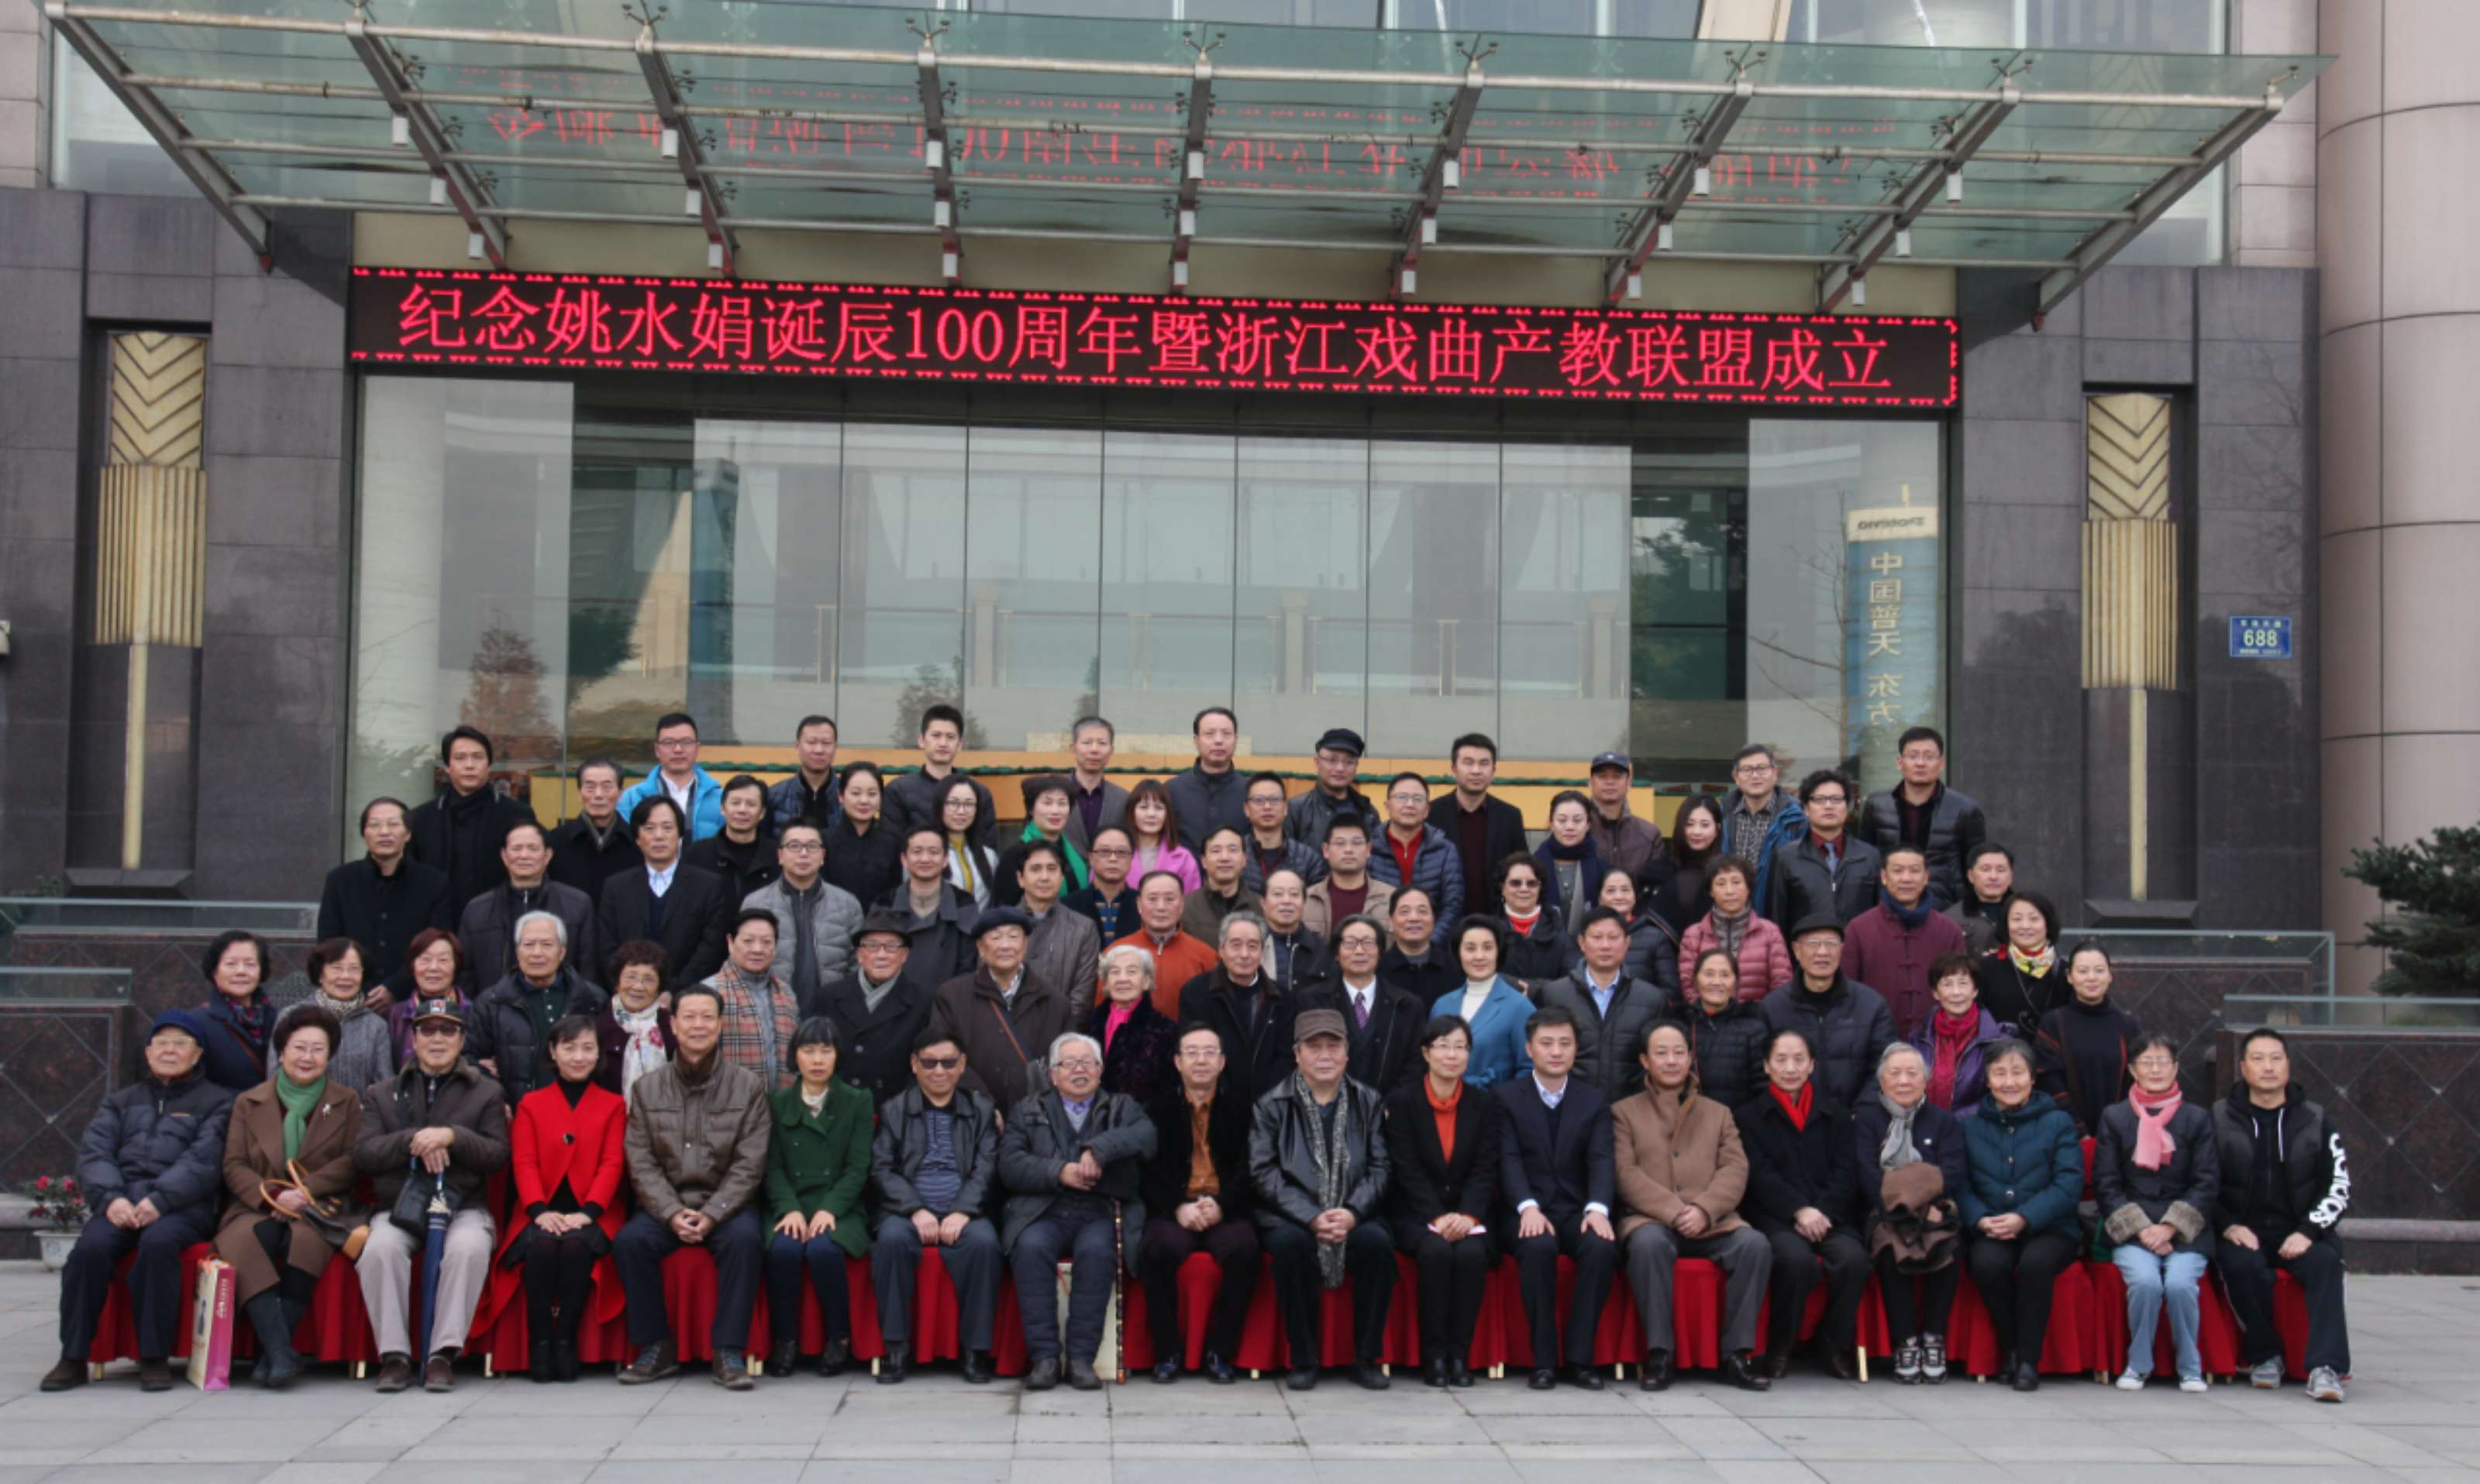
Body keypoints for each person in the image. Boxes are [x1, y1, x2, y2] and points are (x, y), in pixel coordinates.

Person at [44, 1010, 234, 1393]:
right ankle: (73, 1356)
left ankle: (153, 1356)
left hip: (182, 1207)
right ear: (148, 1052)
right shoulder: (120, 1102)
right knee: (89, 1251)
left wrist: (160, 1200)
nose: (169, 1051)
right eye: (161, 1043)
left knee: (158, 1244)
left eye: (180, 1044)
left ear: (198, 1054)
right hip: (120, 1203)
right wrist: (111, 1199)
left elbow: (204, 1162)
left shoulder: (219, 1102)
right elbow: (95, 1155)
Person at [615, 983, 773, 1389]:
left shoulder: (748, 1086)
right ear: (673, 1024)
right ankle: (656, 1347)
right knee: (631, 1242)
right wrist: (670, 1212)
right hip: (666, 1205)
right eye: (689, 1017)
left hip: (726, 1206)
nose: (698, 1026)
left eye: (707, 1017)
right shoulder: (648, 1088)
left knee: (745, 1241)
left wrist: (714, 1213)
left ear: (720, 1025)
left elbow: (749, 1163)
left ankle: (728, 1351)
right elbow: (641, 1162)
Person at [353, 993, 511, 1393]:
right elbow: (365, 1154)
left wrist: (453, 1136)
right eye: (428, 1030)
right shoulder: (382, 1092)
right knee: (380, 1249)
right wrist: (415, 1139)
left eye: (447, 1031)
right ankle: (394, 1356)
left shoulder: (486, 1091)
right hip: (399, 1205)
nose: (437, 1039)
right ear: (414, 1038)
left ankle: (443, 1354)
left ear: (462, 1039)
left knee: (469, 1248)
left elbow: (496, 1154)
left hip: (463, 1205)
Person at [212, 1003, 364, 1389]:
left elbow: (353, 1159)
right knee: (248, 1239)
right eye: (299, 1048)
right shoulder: (249, 1102)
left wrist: (305, 1191)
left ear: (330, 1056)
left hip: (318, 1206)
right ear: (282, 1052)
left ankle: (272, 1357)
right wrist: (274, 1197)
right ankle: (280, 1352)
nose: (307, 1057)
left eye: (318, 1049)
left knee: (306, 1240)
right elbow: (234, 1164)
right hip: (256, 1203)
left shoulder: (346, 1101)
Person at [1614, 1021, 1771, 1392]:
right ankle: (1660, 1354)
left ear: (1690, 1058)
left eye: (1679, 1053)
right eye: (1661, 1053)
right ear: (1645, 1061)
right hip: (1651, 1219)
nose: (1671, 1061)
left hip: (1713, 1221)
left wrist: (1704, 1209)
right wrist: (1672, 1211)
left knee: (1754, 1245)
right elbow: (1625, 1173)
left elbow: (1735, 1168)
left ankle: (1737, 1355)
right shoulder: (1623, 1112)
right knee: (1648, 1245)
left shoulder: (1719, 1113)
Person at [999, 1031, 1157, 1392]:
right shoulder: (1027, 1110)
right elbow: (1009, 1165)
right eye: (1069, 1063)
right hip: (1044, 1209)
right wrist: (1058, 1172)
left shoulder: (1122, 1107)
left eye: (1088, 1062)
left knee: (1098, 1252)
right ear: (1053, 1075)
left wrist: (1099, 1150)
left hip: (1100, 1208)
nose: (1079, 1070)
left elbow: (1147, 1137)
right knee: (1030, 1248)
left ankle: (1082, 1359)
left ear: (1100, 1071)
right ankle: (1045, 1359)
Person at [1252, 1007, 1394, 1392]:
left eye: (1334, 1046)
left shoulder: (1368, 1101)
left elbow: (1381, 1167)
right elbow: (1263, 1172)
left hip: (1355, 1212)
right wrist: (1312, 1217)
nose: (1325, 1055)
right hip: (1292, 1216)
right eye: (1315, 1047)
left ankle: (1366, 1358)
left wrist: (1352, 1212)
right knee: (1290, 1246)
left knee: (1377, 1245)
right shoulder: (1272, 1104)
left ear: (1347, 1053)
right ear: (1297, 1054)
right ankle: (1304, 1358)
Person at [2213, 1028, 2351, 1403]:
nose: (2268, 1067)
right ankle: (2265, 1355)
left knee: (2326, 1264)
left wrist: (2308, 1231)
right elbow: (2203, 1183)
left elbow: (2338, 1185)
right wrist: (2228, 1225)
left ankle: (2326, 1368)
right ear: (2243, 1067)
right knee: (2241, 1266)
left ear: (2288, 1066)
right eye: (2258, 1059)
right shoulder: (2220, 1118)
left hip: (2301, 1232)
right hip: (2243, 1231)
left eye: (2276, 1058)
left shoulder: (2315, 1119)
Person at [488, 1014, 625, 1383]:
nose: (579, 1057)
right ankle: (540, 1343)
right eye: (569, 1048)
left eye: (587, 1048)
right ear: (553, 1051)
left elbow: (612, 1163)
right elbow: (524, 1162)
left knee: (576, 1247)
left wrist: (589, 1212)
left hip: (595, 1211)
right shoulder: (531, 1104)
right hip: (539, 1209)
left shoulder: (613, 1105)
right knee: (544, 1247)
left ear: (599, 1054)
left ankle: (565, 1341)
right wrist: (538, 1211)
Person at [1495, 1006, 1620, 1391]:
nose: (1556, 1051)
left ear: (1576, 1049)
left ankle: (1581, 1360)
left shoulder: (1593, 1100)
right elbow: (1508, 1159)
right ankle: (1544, 1361)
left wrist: (1597, 1208)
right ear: (1529, 1049)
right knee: (1537, 1247)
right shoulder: (1506, 1097)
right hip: (1523, 1209)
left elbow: (1601, 1158)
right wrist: (1527, 1206)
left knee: (1601, 1247)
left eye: (1565, 1043)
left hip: (1575, 1208)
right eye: (1546, 1043)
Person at [869, 1029, 1003, 1385]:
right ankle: (896, 1349)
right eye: (929, 1063)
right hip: (906, 1211)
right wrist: (915, 1209)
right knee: (891, 1242)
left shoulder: (980, 1110)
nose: (939, 1071)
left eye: (947, 1062)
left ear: (962, 1065)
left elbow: (986, 1168)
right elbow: (882, 1169)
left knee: (985, 1244)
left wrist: (963, 1210)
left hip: (965, 1210)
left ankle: (975, 1352)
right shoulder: (895, 1109)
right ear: (915, 1065)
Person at [1734, 1026, 1867, 1380]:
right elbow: (1758, 1174)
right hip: (1776, 1217)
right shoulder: (1748, 1116)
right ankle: (1781, 1345)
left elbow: (1846, 1171)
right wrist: (1798, 1210)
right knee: (1795, 1261)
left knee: (1853, 1261)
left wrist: (1822, 1212)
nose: (1790, 1068)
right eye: (1781, 1060)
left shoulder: (1835, 1113)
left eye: (1798, 1059)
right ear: (1766, 1066)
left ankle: (1832, 1342)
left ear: (1812, 1065)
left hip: (1830, 1215)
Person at [1959, 1036, 2082, 1392]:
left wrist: (2025, 1217)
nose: (2009, 1082)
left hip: (2051, 1227)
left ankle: (2028, 1360)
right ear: (1987, 1079)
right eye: (2000, 1073)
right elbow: (1960, 1185)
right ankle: (2011, 1349)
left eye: (2017, 1073)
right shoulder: (1970, 1127)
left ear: (2032, 1077)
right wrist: (1980, 1218)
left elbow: (2068, 1184)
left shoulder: (2058, 1123)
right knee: (1987, 1264)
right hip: (1993, 1224)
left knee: (2035, 1265)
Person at [2098, 1035, 2220, 1393]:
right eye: (2146, 1062)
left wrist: (2169, 1227)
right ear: (2133, 1070)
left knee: (2181, 1284)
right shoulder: (2115, 1117)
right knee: (2146, 1283)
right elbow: (2106, 1184)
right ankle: (2138, 1365)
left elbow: (2207, 1182)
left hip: (2185, 1231)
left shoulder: (2197, 1118)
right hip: (2133, 1230)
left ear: (2176, 1068)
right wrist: (2143, 1230)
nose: (2155, 1069)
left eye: (2162, 1061)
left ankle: (2190, 1368)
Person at [1138, 1021, 1259, 1384]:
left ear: (1222, 1062)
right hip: (1177, 1208)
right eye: (1192, 1053)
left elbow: (1253, 1169)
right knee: (1155, 1250)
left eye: (1209, 1053)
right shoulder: (1156, 1109)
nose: (1201, 1061)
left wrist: (1223, 1204)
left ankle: (1220, 1352)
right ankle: (1168, 1353)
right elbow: (1147, 1171)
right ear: (1178, 1062)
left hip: (1225, 1207)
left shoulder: (1244, 1109)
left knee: (1244, 1250)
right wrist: (1178, 1206)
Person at [1385, 1014, 1500, 1389]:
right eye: (1443, 1046)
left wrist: (1468, 1215)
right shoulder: (1403, 1102)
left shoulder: (1483, 1104)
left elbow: (1485, 1168)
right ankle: (1434, 1357)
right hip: (1417, 1213)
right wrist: (1436, 1216)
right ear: (1426, 1053)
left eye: (1460, 1047)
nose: (1452, 1055)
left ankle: (1459, 1356)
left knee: (1471, 1255)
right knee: (1435, 1253)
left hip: (1469, 1214)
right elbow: (1406, 1168)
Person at [762, 1015, 873, 1379]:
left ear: (838, 1055)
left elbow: (857, 1168)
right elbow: (771, 1167)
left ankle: (838, 1337)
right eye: (808, 1050)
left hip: (840, 1206)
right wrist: (789, 1208)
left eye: (826, 1051)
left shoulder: (857, 1101)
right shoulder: (777, 1102)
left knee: (824, 1249)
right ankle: (785, 1339)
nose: (817, 1059)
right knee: (784, 1250)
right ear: (795, 1056)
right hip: (790, 1204)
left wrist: (829, 1209)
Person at [1853, 1043, 1968, 1385]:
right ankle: (1906, 1342)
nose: (1904, 1081)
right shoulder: (1867, 1120)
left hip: (1934, 1210)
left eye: (1912, 1073)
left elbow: (1952, 1173)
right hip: (1886, 1212)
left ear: (1925, 1079)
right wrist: (1912, 1190)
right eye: (1895, 1073)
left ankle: (1933, 1338)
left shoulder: (1944, 1121)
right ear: (1882, 1080)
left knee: (1947, 1246)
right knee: (1892, 1249)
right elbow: (1868, 1175)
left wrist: (1912, 1190)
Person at [928, 906, 1075, 1111]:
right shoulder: (951, 996)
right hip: (971, 1114)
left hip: (1035, 1116)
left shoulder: (1054, 1002)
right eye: (995, 938)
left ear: (1025, 944)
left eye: (1013, 937)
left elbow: (1066, 1062)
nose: (1005, 945)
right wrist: (982, 1106)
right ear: (980, 947)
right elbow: (943, 1056)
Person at [466, 911, 609, 1107]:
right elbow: (468, 1059)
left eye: (547, 945)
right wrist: (496, 1099)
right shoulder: (492, 1002)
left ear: (562, 952)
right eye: (529, 945)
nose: (537, 953)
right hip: (516, 1112)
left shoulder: (592, 999)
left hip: (582, 1111)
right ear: (517, 952)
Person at [1759, 915, 1896, 1110]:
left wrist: (1862, 1111)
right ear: (1797, 950)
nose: (1822, 952)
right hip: (1791, 1118)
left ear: (1841, 950)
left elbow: (1885, 1066)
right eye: (1813, 943)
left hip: (1856, 1119)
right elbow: (1760, 1071)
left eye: (1831, 943)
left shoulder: (1871, 1005)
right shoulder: (1772, 1007)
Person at [319, 797, 451, 999]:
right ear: (364, 833)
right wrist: (363, 988)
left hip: (414, 997)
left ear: (408, 834)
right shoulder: (340, 880)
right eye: (375, 825)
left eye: (393, 824)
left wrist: (395, 988)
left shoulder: (434, 883)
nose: (384, 832)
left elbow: (437, 944)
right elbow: (329, 943)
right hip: (352, 994)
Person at [595, 795, 732, 990]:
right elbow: (607, 946)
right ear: (637, 838)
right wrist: (629, 987)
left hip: (688, 996)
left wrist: (676, 990)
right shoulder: (616, 886)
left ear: (680, 835)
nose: (659, 836)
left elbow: (711, 947)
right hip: (630, 993)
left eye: (667, 828)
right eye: (650, 828)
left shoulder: (708, 885)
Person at [1840, 845, 1969, 1043]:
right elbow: (1847, 993)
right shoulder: (1858, 930)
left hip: (1938, 1042)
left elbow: (1961, 989)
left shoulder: (1949, 931)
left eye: (1915, 871)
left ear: (1926, 877)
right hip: (1875, 1041)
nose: (1906, 879)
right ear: (1884, 877)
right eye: (1898, 871)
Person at [1535, 906, 1665, 1104]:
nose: (1605, 946)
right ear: (1582, 943)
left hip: (1631, 1109)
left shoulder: (1651, 999)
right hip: (1570, 1106)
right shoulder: (1554, 994)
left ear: (1627, 943)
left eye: (1613, 938)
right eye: (1597, 937)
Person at [459, 820, 598, 996]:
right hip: (494, 1007)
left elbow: (588, 969)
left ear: (547, 855)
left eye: (533, 849)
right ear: (504, 855)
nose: (524, 855)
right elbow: (466, 975)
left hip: (560, 1008)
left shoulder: (577, 905)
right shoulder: (477, 910)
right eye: (517, 849)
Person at [408, 725, 538, 905]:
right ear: (447, 766)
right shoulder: (421, 819)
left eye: (478, 757)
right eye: (460, 758)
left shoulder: (517, 815)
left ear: (489, 765)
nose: (469, 765)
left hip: (500, 917)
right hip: (437, 919)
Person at [1297, 913, 1425, 1096]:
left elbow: (1415, 1065)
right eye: (1350, 943)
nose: (1359, 951)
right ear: (1336, 953)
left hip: (1390, 1108)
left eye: (1368, 943)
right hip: (1327, 1103)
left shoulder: (1407, 1005)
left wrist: (1389, 1106)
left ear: (1380, 951)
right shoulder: (1313, 1000)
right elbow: (1303, 1058)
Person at [1858, 726, 1987, 909]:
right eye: (1913, 756)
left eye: (1929, 756)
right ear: (1900, 762)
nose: (1920, 763)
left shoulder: (1966, 809)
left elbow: (1976, 867)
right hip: (1888, 904)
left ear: (1941, 763)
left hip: (1945, 907)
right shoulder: (1876, 805)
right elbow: (1867, 861)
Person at [812, 910, 932, 1107]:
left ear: (904, 955)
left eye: (891, 947)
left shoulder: (923, 1004)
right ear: (859, 954)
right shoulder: (828, 998)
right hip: (836, 1111)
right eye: (872, 946)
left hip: (893, 1113)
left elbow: (923, 1070)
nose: (881, 955)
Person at [743, 820, 864, 1011]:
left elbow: (858, 962)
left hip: (833, 1012)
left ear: (823, 856)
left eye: (812, 846)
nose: (804, 853)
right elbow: (743, 962)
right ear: (780, 855)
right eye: (794, 846)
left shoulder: (847, 904)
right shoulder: (756, 903)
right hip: (771, 1011)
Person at [1181, 912, 1297, 1105]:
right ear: (1222, 949)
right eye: (1236, 945)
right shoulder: (1196, 992)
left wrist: (1265, 1102)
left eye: (1253, 946)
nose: (1244, 954)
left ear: (1262, 951)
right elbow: (1195, 1051)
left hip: (1269, 1106)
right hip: (1216, 1104)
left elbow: (1286, 1057)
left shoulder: (1282, 998)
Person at [2035, 942, 2143, 1135]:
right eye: (2083, 971)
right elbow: (2049, 1082)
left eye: (2099, 970)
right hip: (2066, 1135)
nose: (2091, 977)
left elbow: (2138, 1080)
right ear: (2070, 977)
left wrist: (2117, 1129)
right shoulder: (2053, 1024)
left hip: (2120, 1134)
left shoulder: (2128, 1026)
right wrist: (2077, 1130)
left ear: (2110, 975)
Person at [272, 938, 397, 1093]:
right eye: (337, 968)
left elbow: (385, 1086)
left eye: (354, 969)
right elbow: (274, 1076)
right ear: (320, 975)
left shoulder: (375, 1025)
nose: (346, 976)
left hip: (358, 1108)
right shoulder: (291, 1016)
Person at [1765, 769, 1883, 930]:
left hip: (1857, 945)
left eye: (1836, 799)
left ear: (1848, 807)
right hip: (1805, 945)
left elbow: (1880, 916)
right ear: (1806, 809)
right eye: (1819, 800)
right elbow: (1776, 917)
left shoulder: (1870, 856)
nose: (1828, 806)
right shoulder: (1786, 857)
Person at [877, 825, 981, 998]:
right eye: (917, 852)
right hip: (896, 1003)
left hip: (949, 1003)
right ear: (904, 859)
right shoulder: (885, 904)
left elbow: (968, 964)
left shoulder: (963, 904)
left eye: (933, 852)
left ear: (945, 859)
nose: (925, 859)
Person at [1431, 733, 1527, 917]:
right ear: (1454, 769)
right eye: (1468, 763)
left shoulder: (1510, 817)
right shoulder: (1432, 814)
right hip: (1445, 920)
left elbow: (1522, 870)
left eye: (1484, 763)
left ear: (1493, 771)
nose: (1476, 771)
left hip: (1497, 920)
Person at [708, 909, 803, 1093]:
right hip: (729, 1104)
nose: (757, 949)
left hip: (782, 1104)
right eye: (748, 941)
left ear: (775, 947)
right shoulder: (711, 991)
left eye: (766, 942)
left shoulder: (786, 993)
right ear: (730, 942)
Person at [882, 703, 996, 850]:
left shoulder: (979, 794)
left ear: (960, 744)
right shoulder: (898, 791)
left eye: (950, 737)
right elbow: (892, 849)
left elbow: (987, 848)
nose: (943, 743)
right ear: (921, 741)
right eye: (936, 736)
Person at [1109, 871, 1219, 1017]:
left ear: (1182, 904)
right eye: (1152, 899)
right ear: (1139, 904)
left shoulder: (1205, 955)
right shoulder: (1116, 953)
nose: (1161, 907)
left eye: (1169, 899)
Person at [1369, 772, 1464, 940]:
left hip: (1432, 944)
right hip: (1381, 944)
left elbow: (1453, 905)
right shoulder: (1369, 849)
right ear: (1387, 806)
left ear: (1426, 810)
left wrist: (1429, 943)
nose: (1410, 804)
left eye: (1418, 799)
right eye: (1402, 797)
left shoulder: (1445, 850)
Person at [1680, 857, 1790, 1001]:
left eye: (1736, 882)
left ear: (1748, 888)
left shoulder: (1770, 932)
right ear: (1711, 891)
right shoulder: (1693, 935)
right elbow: (1689, 985)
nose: (1730, 891)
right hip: (1707, 1013)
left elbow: (1781, 983)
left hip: (1758, 1014)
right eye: (1721, 884)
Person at [1438, 918, 1530, 1088]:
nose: (1479, 956)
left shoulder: (1519, 1006)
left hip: (1496, 1101)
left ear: (1499, 952)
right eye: (1470, 948)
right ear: (1458, 953)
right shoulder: (1442, 1005)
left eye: (1487, 948)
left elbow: (1529, 1067)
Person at [1912, 952, 2008, 1116]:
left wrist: (1954, 1121)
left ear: (1975, 990)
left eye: (1963, 983)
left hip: (1977, 1126)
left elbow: (2002, 1094)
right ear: (1935, 993)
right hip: (1927, 1126)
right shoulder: (1918, 1040)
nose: (1956, 992)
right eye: (1947, 984)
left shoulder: (1998, 1041)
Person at [1018, 840, 1101, 1025]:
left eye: (1052, 869)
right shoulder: (1001, 926)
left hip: (1064, 1034)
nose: (1044, 877)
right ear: (1020, 878)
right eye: (1035, 869)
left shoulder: (1083, 928)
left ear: (1062, 877)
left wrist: (1058, 1033)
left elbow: (1083, 996)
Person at [1678, 948, 1770, 1111]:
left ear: (1736, 982)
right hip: (1688, 1121)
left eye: (1725, 975)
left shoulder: (1753, 1029)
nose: (1717, 982)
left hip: (1737, 1123)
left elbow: (1763, 1087)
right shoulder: (1681, 1024)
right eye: (1709, 974)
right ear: (1695, 980)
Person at [1090, 944, 1178, 1107]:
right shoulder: (1090, 1024)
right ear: (1106, 983)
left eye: (1131, 972)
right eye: (1115, 972)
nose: (1122, 979)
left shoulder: (1165, 1031)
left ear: (1147, 981)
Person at [1721, 743, 1805, 913]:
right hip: (1731, 913)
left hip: (1778, 912)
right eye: (1747, 770)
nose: (1755, 775)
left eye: (1761, 768)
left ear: (1775, 773)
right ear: (1736, 777)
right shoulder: (1722, 815)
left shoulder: (1796, 819)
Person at [618, 711, 725, 841]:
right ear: (657, 750)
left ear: (697, 748)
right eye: (668, 743)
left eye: (686, 742)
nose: (678, 749)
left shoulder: (721, 799)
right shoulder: (631, 799)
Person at [549, 759, 643, 903]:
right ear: (579, 793)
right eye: (590, 787)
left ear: (620, 794)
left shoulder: (638, 842)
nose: (598, 795)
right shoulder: (555, 841)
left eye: (607, 787)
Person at [198, 928, 281, 1093]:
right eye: (231, 964)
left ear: (261, 970)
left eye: (250, 964)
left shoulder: (279, 1018)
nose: (241, 971)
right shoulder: (197, 1023)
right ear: (214, 971)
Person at [683, 774, 783, 904]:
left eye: (751, 804)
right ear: (722, 809)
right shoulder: (697, 854)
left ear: (762, 813)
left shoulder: (779, 856)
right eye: (735, 803)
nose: (742, 810)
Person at [594, 941, 674, 1102]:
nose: (638, 987)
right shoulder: (598, 1027)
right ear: (617, 982)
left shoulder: (671, 1026)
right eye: (631, 977)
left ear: (659, 987)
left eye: (649, 979)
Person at [1976, 891, 2065, 1033]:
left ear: (2048, 923)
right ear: (2006, 924)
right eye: (2017, 919)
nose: (2025, 926)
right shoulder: (1986, 968)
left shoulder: (2067, 971)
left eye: (2034, 919)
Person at [995, 773, 1089, 907]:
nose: (1056, 811)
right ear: (1031, 809)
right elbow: (1005, 908)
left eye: (1062, 803)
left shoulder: (1073, 854)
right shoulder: (1015, 855)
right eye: (1047, 803)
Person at [1166, 705, 1249, 852]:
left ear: (1236, 740)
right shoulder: (1172, 791)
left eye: (1226, 734)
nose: (1219, 741)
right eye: (1209, 734)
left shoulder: (1250, 792)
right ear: (1196, 741)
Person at [820, 761, 902, 908]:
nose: (864, 801)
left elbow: (894, 896)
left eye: (872, 794)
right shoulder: (823, 841)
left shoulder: (892, 844)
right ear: (841, 796)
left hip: (879, 921)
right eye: (856, 793)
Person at [1644, 795, 1727, 935]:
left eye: (1705, 825)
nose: (1697, 832)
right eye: (1690, 824)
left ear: (1717, 829)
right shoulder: (1659, 869)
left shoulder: (1726, 872)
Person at [1303, 814, 1395, 939]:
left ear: (1368, 849)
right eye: (1340, 843)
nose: (1348, 850)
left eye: (1356, 843)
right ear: (1326, 850)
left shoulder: (1392, 899)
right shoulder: (1306, 900)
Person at [1286, 726, 1380, 849]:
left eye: (1349, 762)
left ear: (1356, 766)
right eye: (1332, 760)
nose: (1340, 768)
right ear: (1317, 763)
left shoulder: (1368, 812)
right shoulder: (1295, 810)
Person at [1494, 852, 1578, 990]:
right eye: (1515, 883)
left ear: (1540, 888)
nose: (1524, 888)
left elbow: (1572, 981)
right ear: (1502, 888)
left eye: (1531, 883)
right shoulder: (1488, 932)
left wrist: (1529, 989)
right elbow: (1483, 977)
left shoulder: (1560, 934)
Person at [385, 928, 469, 1062]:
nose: (433, 968)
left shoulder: (474, 1013)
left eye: (443, 960)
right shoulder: (395, 1016)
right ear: (413, 966)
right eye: (425, 959)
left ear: (456, 966)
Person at [1240, 770, 1325, 893]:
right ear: (1247, 809)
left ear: (1286, 808)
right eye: (1258, 800)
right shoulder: (1234, 855)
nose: (1267, 807)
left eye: (1275, 800)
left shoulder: (1309, 860)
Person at [1534, 790, 1609, 928]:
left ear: (1588, 825)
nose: (1569, 827)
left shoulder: (1603, 869)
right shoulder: (1534, 868)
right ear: (1551, 824)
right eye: (1562, 820)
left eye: (1577, 820)